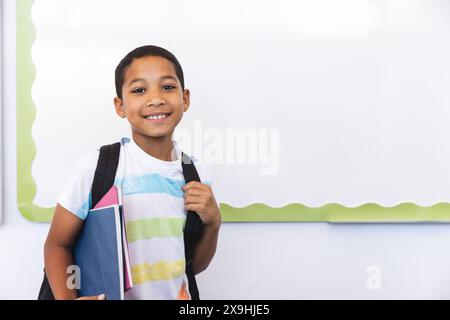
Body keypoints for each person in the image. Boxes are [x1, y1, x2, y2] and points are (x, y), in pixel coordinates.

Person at [43, 45, 221, 300]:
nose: (156, 98)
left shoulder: (197, 173)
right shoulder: (97, 166)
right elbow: (57, 244)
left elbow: (195, 265)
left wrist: (214, 222)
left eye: (168, 87)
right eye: (139, 90)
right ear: (120, 106)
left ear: (185, 99)